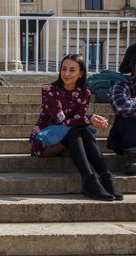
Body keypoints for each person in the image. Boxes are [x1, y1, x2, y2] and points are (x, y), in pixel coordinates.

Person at [29, 54, 123, 201]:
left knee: (85, 130)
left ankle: (106, 177)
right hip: (46, 141)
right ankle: (89, 180)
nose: (66, 74)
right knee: (76, 129)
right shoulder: (49, 90)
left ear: (81, 73)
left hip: (70, 141)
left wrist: (89, 119)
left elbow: (79, 120)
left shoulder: (85, 93)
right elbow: (62, 122)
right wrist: (89, 118)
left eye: (72, 70)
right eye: (63, 69)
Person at [108, 43, 136, 175]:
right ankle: (131, 157)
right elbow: (121, 107)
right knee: (126, 115)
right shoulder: (122, 86)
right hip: (126, 138)